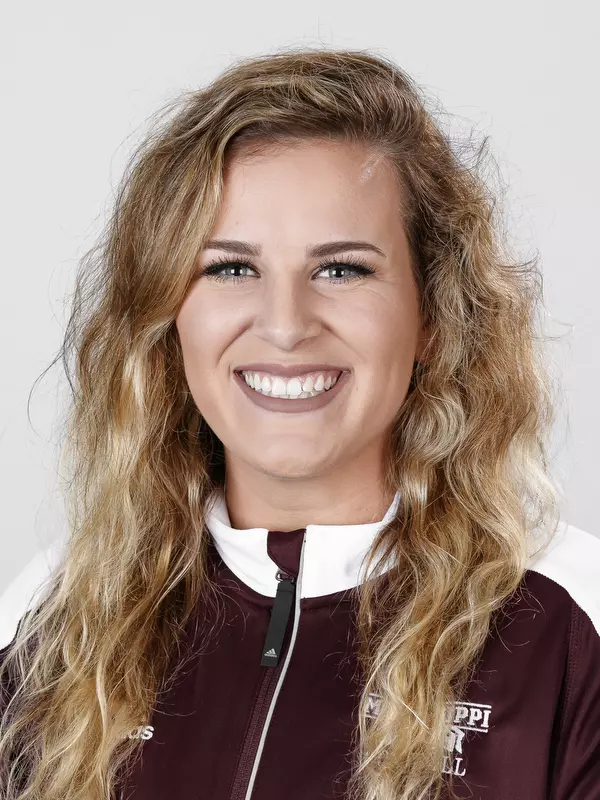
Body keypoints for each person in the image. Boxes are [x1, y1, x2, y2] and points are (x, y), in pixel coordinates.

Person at [0, 47, 598, 800]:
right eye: (229, 268)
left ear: (434, 318)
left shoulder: (572, 626)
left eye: (342, 269)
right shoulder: (52, 616)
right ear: (168, 316)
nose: (284, 327)